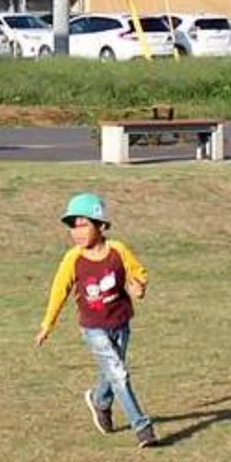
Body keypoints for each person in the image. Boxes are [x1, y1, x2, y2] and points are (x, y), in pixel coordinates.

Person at [34, 192, 157, 448]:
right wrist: (48, 324)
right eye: (73, 226)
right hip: (93, 328)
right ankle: (142, 426)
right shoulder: (73, 259)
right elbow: (59, 291)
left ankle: (99, 401)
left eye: (83, 224)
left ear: (100, 226)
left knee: (112, 372)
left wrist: (139, 287)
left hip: (121, 323)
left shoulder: (118, 251)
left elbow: (138, 273)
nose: (76, 232)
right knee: (119, 375)